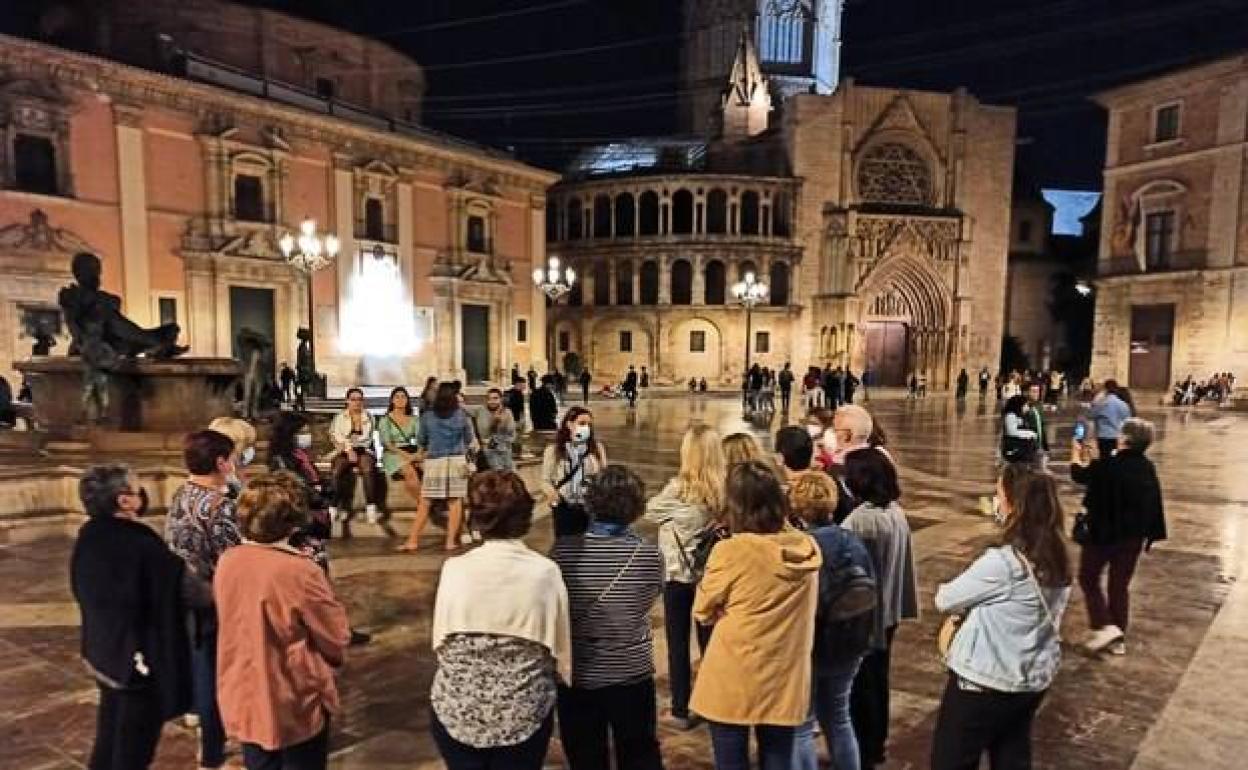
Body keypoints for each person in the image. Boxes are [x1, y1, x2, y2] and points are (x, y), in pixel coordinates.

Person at [931, 464, 1071, 770]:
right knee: (1011, 755)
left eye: (999, 494)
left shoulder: (1004, 563)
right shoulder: (1057, 556)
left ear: (1014, 504)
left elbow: (946, 599)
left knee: (952, 759)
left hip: (984, 682)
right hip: (1030, 679)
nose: (996, 501)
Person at [430, 471, 571, 769]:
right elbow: (561, 652)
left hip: (456, 714)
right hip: (521, 717)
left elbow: (440, 643)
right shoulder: (544, 573)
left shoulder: (454, 568)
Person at [690, 460, 822, 770]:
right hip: (785, 673)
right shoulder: (805, 547)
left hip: (735, 672)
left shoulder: (732, 551)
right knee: (778, 758)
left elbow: (702, 609)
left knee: (731, 759)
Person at [72, 463, 205, 770]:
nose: (141, 494)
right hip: (139, 663)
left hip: (104, 652)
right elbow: (194, 593)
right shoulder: (141, 545)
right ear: (124, 501)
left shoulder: (89, 535)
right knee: (134, 746)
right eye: (136, 488)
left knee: (109, 731)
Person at [215, 474, 351, 770]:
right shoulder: (299, 571)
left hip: (244, 688)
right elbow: (335, 636)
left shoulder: (228, 560)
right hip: (290, 694)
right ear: (292, 521)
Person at [551, 466, 665, 770]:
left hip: (578, 670)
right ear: (637, 507)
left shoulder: (563, 551)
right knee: (639, 752)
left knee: (585, 754)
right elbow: (648, 598)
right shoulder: (649, 554)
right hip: (630, 671)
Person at [165, 429, 241, 770]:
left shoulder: (182, 493)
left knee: (201, 666)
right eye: (233, 458)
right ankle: (212, 750)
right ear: (221, 462)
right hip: (214, 598)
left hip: (183, 592)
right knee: (217, 674)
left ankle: (199, 720)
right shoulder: (221, 507)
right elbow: (234, 557)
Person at [789, 472, 875, 770]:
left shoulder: (802, 547)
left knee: (802, 724)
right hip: (851, 641)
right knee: (839, 717)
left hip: (813, 646)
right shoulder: (853, 541)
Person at [645, 424, 726, 729]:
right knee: (710, 641)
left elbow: (651, 511)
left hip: (679, 575)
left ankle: (681, 708)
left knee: (678, 642)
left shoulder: (678, 489)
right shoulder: (724, 489)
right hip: (711, 574)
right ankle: (712, 703)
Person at [842, 447, 919, 768]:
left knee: (863, 687)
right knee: (878, 680)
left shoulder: (862, 522)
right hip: (887, 610)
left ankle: (866, 749)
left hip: (867, 617)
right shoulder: (893, 511)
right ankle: (876, 743)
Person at [1070, 417, 1166, 655]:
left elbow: (1080, 475)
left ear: (1125, 439)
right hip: (1132, 537)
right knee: (1119, 585)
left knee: (1088, 577)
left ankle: (1104, 625)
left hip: (1102, 535)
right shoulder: (1146, 467)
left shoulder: (1109, 465)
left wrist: (1075, 453)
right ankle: (1118, 639)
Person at [398, 383, 477, 553]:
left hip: (435, 461)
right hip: (456, 461)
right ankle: (450, 541)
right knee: (455, 502)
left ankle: (412, 540)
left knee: (426, 502)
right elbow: (469, 438)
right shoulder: (462, 415)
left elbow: (421, 440)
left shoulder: (428, 416)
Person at [541, 406, 608, 537]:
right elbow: (545, 480)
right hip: (565, 507)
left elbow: (604, 476)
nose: (586, 427)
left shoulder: (597, 448)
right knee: (567, 547)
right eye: (582, 423)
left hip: (591, 507)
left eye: (589, 424)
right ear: (569, 424)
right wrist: (553, 495)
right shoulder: (554, 450)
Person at [329, 387, 381, 524]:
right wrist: (348, 449)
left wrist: (352, 447)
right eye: (353, 399)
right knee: (336, 471)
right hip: (344, 450)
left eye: (359, 399)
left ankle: (371, 507)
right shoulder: (339, 417)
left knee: (368, 469)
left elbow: (366, 438)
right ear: (347, 401)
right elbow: (335, 435)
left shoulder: (369, 417)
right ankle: (333, 507)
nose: (356, 403)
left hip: (363, 449)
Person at [377, 386, 423, 505]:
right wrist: (406, 456)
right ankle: (423, 505)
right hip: (393, 453)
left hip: (410, 450)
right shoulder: (385, 420)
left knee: (428, 468)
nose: (400, 399)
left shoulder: (414, 419)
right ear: (392, 400)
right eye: (397, 397)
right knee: (409, 471)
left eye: (403, 397)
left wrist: (417, 454)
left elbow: (421, 440)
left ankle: (438, 502)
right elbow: (387, 443)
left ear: (407, 400)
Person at [471, 388, 517, 471]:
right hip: (487, 453)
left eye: (495, 398)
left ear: (501, 399)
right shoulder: (480, 410)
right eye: (489, 399)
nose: (492, 401)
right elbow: (462, 408)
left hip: (504, 452)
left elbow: (511, 434)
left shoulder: (507, 413)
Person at [1089, 379, 1133, 460]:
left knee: (1104, 457)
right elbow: (1128, 420)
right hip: (1116, 436)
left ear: (1105, 389)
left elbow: (1092, 415)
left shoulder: (1100, 404)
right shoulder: (1122, 404)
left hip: (1103, 435)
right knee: (1116, 458)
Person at [1000, 395, 1039, 464]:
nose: (1027, 407)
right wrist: (1029, 434)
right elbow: (1011, 432)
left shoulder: (1020, 416)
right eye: (1025, 405)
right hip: (1013, 447)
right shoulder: (1011, 416)